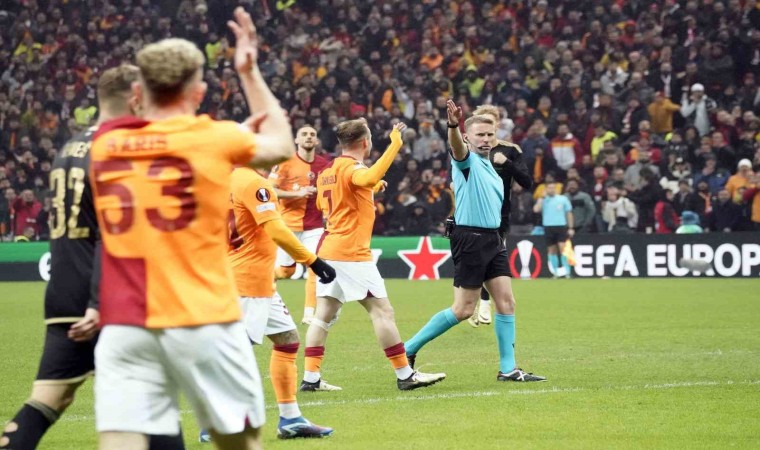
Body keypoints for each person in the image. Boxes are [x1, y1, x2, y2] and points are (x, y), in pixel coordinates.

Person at [89, 9, 294, 450]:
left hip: (125, 323)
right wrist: (249, 72)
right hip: (203, 318)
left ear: (138, 92)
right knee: (239, 443)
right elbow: (281, 144)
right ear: (199, 92)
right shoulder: (215, 138)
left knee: (121, 442)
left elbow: (152, 143)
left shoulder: (105, 144)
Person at [0, 66, 185, 450]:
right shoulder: (117, 151)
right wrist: (100, 302)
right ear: (135, 97)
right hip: (105, 300)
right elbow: (111, 233)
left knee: (47, 401)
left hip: (63, 295)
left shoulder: (68, 149)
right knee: (154, 403)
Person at [405, 100, 545, 383]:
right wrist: (453, 126)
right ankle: (406, 349)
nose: (486, 139)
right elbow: (456, 147)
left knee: (506, 302)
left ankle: (508, 369)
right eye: (480, 135)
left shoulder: (489, 165)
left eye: (490, 134)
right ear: (468, 137)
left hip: (493, 239)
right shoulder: (466, 160)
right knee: (463, 309)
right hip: (470, 239)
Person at [301, 119, 446, 392]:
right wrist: (395, 144)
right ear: (365, 142)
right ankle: (405, 374)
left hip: (328, 250)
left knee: (323, 316)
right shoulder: (354, 168)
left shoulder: (327, 171)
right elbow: (365, 177)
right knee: (382, 312)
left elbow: (325, 202)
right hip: (351, 253)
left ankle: (310, 378)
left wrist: (368, 188)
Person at [199, 164, 336, 442]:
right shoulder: (253, 183)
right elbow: (275, 229)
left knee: (288, 340)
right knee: (235, 352)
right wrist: (312, 261)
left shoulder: (223, 180)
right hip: (248, 282)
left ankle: (290, 419)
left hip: (253, 278)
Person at [467, 104, 532, 327]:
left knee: (490, 257)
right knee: (472, 261)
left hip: (499, 215)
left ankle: (484, 303)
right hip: (470, 214)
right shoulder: (467, 150)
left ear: (496, 125)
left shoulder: (510, 150)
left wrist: (508, 164)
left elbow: (527, 182)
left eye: (489, 124)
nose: (485, 132)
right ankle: (473, 302)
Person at [269, 125, 331, 324]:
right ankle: (263, 281)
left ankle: (309, 314)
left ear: (317, 140)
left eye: (312, 134)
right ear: (296, 140)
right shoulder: (284, 163)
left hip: (315, 227)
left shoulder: (324, 165)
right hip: (287, 226)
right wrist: (297, 193)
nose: (309, 137)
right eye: (304, 134)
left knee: (314, 267)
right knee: (287, 271)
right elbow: (269, 190)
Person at [534, 181, 574, 278]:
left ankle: (567, 272)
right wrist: (542, 198)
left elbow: (569, 213)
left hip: (561, 226)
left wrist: (571, 227)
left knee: (563, 249)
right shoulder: (543, 200)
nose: (552, 190)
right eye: (550, 188)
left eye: (553, 188)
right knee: (552, 250)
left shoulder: (562, 199)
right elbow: (536, 210)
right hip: (548, 227)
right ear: (546, 189)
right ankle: (555, 272)